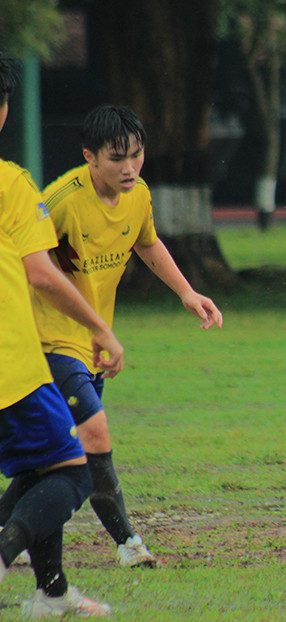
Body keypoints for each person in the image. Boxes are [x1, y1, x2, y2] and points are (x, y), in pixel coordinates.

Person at [29, 105, 224, 568]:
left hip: (94, 342)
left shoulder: (137, 196)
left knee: (59, 453)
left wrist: (187, 292)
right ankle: (129, 544)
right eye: (117, 158)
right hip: (48, 340)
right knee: (92, 433)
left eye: (136, 154)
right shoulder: (59, 203)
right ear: (89, 158)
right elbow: (29, 269)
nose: (130, 166)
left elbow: (147, 242)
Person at [0, 53, 119, 617]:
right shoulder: (12, 184)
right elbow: (41, 273)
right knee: (71, 473)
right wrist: (100, 327)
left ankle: (51, 594)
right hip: (12, 367)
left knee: (37, 467)